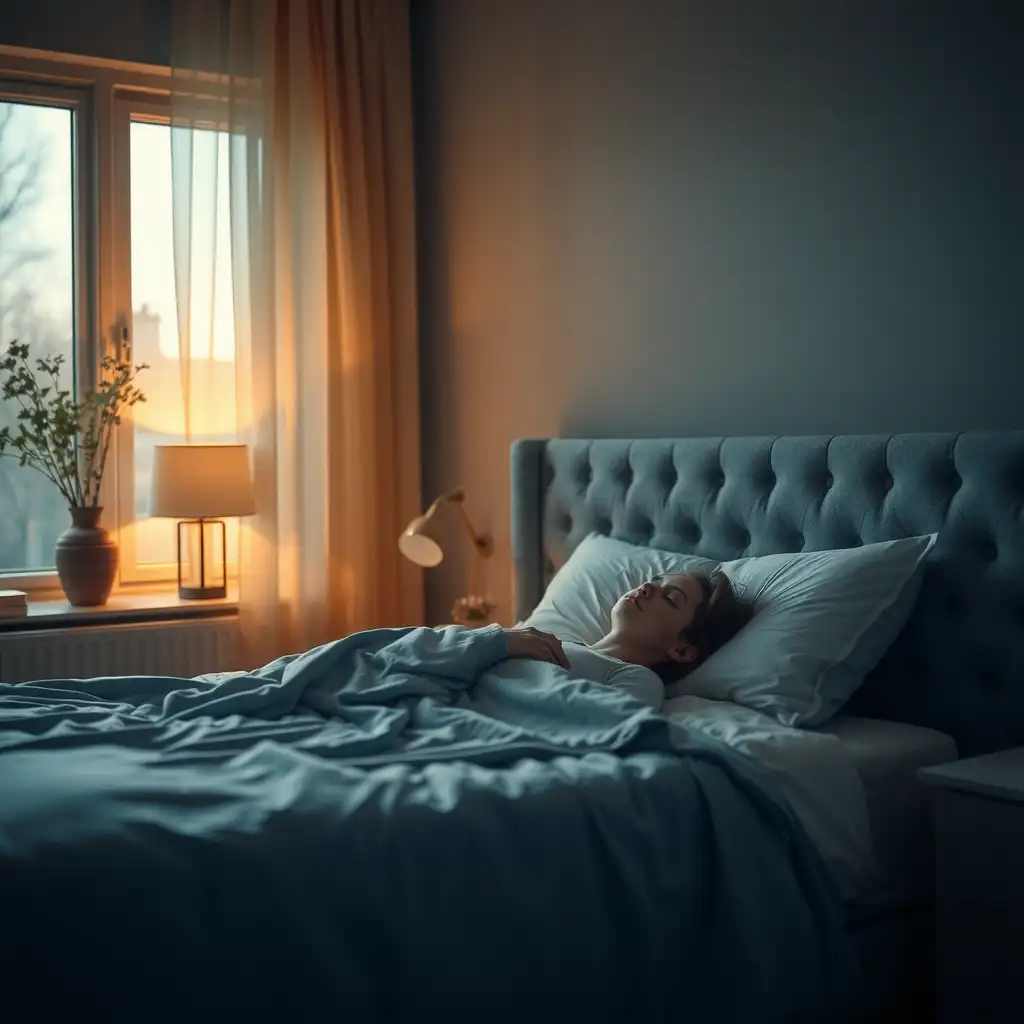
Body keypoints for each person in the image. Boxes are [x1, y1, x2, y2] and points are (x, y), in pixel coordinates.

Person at [502, 572, 752, 711]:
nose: (646, 587)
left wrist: (499, 644)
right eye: (654, 580)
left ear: (683, 650)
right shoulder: (558, 641)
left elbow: (594, 727)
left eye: (670, 598)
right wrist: (497, 640)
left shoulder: (638, 679)